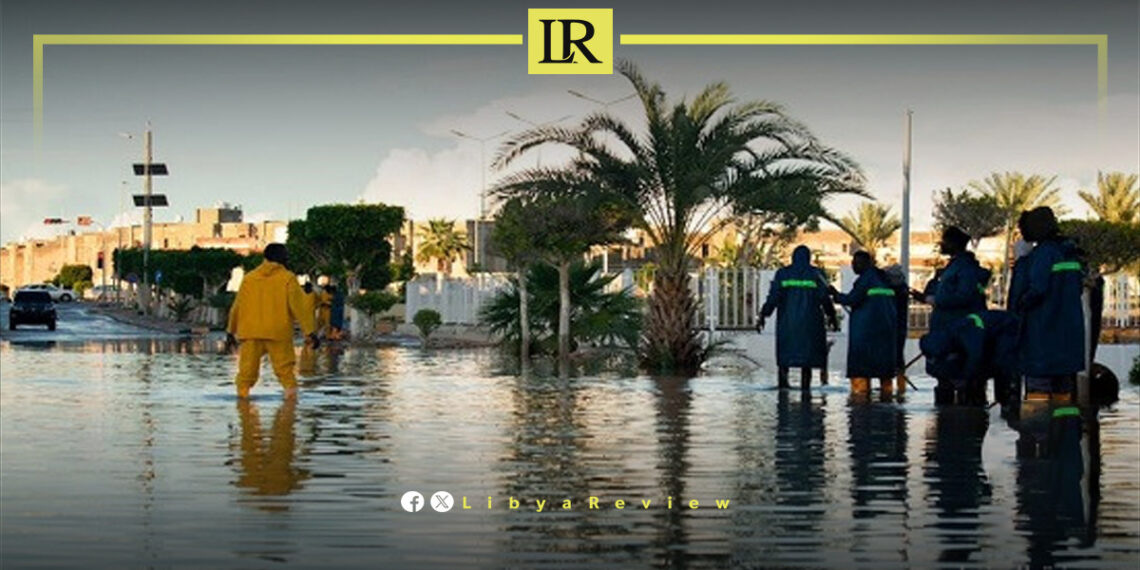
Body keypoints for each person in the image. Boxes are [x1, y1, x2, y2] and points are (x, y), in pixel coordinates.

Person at [1009, 206, 1085, 401]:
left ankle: (1039, 420)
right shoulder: (1070, 253)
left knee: (1038, 390)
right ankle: (1063, 419)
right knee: (1063, 390)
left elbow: (1037, 289)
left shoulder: (1043, 253)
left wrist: (1020, 304)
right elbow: (1078, 288)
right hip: (1068, 338)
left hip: (1042, 336)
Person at [226, 243, 318, 399]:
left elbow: (237, 306)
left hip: (251, 332)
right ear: (283, 258)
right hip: (278, 332)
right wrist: (310, 332)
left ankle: (243, 405)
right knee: (285, 372)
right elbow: (299, 307)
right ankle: (290, 406)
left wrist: (230, 331)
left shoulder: (249, 278)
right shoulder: (288, 278)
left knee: (246, 373)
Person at [758, 245, 839, 389]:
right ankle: (805, 392)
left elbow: (773, 298)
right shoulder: (816, 274)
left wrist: (763, 315)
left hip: (787, 324)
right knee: (807, 362)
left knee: (784, 360)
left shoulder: (782, 274)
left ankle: (783, 390)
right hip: (811, 324)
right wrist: (832, 316)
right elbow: (825, 299)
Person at [831, 251, 898, 398]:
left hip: (865, 333)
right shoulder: (885, 279)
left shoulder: (866, 279)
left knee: (861, 376)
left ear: (867, 263)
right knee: (885, 375)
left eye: (857, 263)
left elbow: (852, 299)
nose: (853, 265)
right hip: (886, 332)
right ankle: (887, 400)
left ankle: (861, 402)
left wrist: (836, 295)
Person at [920, 310, 1020, 407]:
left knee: (1000, 364)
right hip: (987, 331)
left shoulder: (968, 337)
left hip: (1007, 327)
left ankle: (1006, 399)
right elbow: (934, 367)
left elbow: (975, 359)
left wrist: (964, 378)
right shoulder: (937, 343)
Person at [912, 226, 991, 332]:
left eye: (945, 241)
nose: (941, 244)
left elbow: (963, 296)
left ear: (953, 244)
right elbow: (938, 292)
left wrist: (934, 300)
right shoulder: (952, 267)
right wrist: (928, 291)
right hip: (946, 327)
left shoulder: (965, 267)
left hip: (957, 328)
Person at [880, 264, 911, 392]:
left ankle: (887, 388)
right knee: (899, 357)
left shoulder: (889, 290)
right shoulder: (903, 289)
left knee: (888, 357)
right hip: (900, 327)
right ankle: (901, 386)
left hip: (890, 327)